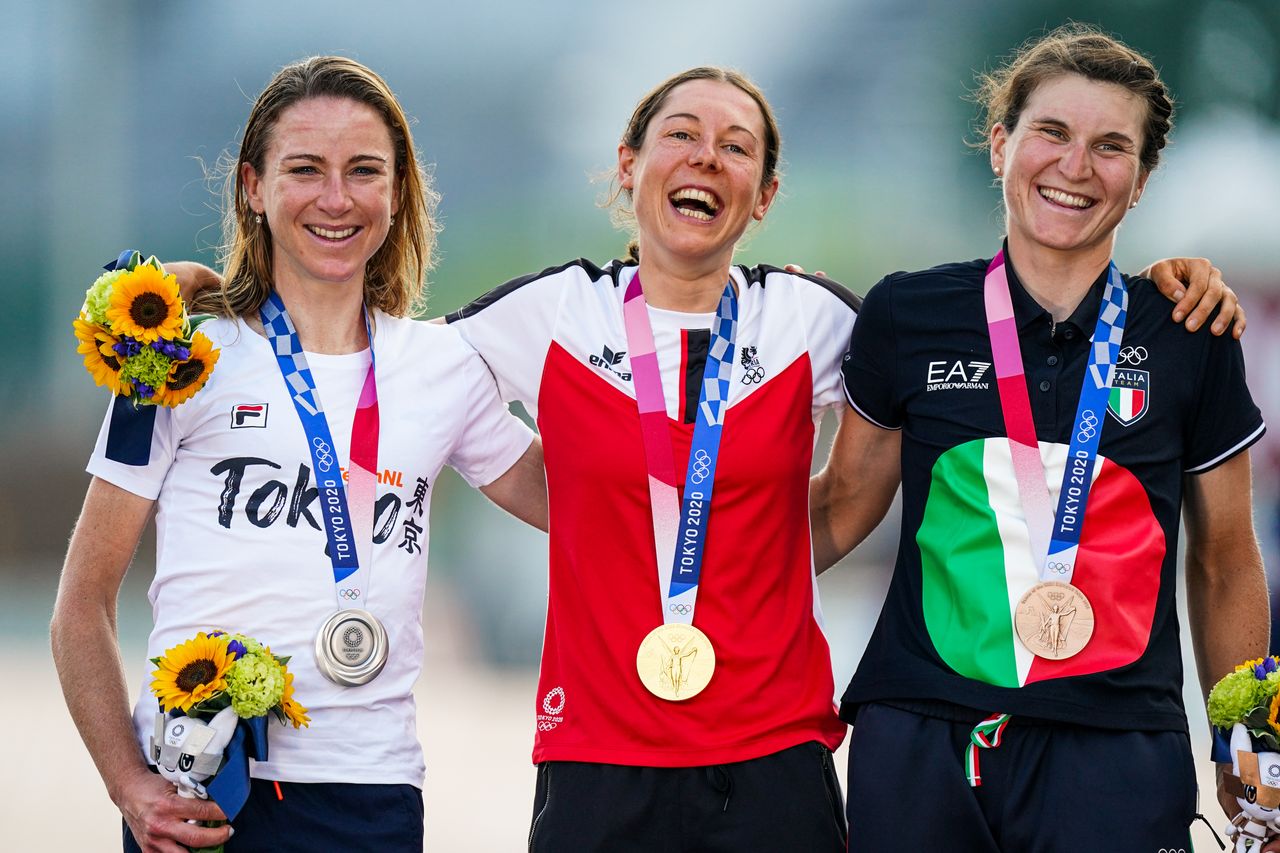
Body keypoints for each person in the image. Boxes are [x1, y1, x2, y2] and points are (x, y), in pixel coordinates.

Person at [167, 65, 1241, 851]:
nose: (706, 159)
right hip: (594, 749)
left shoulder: (819, 319)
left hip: (776, 746)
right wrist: (208, 295)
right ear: (629, 167)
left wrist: (1171, 283)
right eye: (681, 135)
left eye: (737, 147)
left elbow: (886, 461)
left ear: (763, 195)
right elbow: (363, 353)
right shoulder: (538, 315)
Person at [50, 56, 546, 852]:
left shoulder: (444, 366)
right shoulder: (177, 356)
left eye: (364, 171)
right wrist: (128, 783)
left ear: (398, 189)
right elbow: (81, 601)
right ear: (253, 184)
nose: (336, 198)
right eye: (305, 169)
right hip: (198, 792)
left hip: (372, 792)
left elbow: (581, 503)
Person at [812, 24, 1269, 850]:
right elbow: (840, 509)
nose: (1075, 165)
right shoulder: (907, 314)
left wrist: (1247, 742)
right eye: (1051, 133)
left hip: (1119, 743)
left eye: (1110, 146)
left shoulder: (1192, 329)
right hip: (921, 730)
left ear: (1141, 180)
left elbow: (1226, 557)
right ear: (1001, 145)